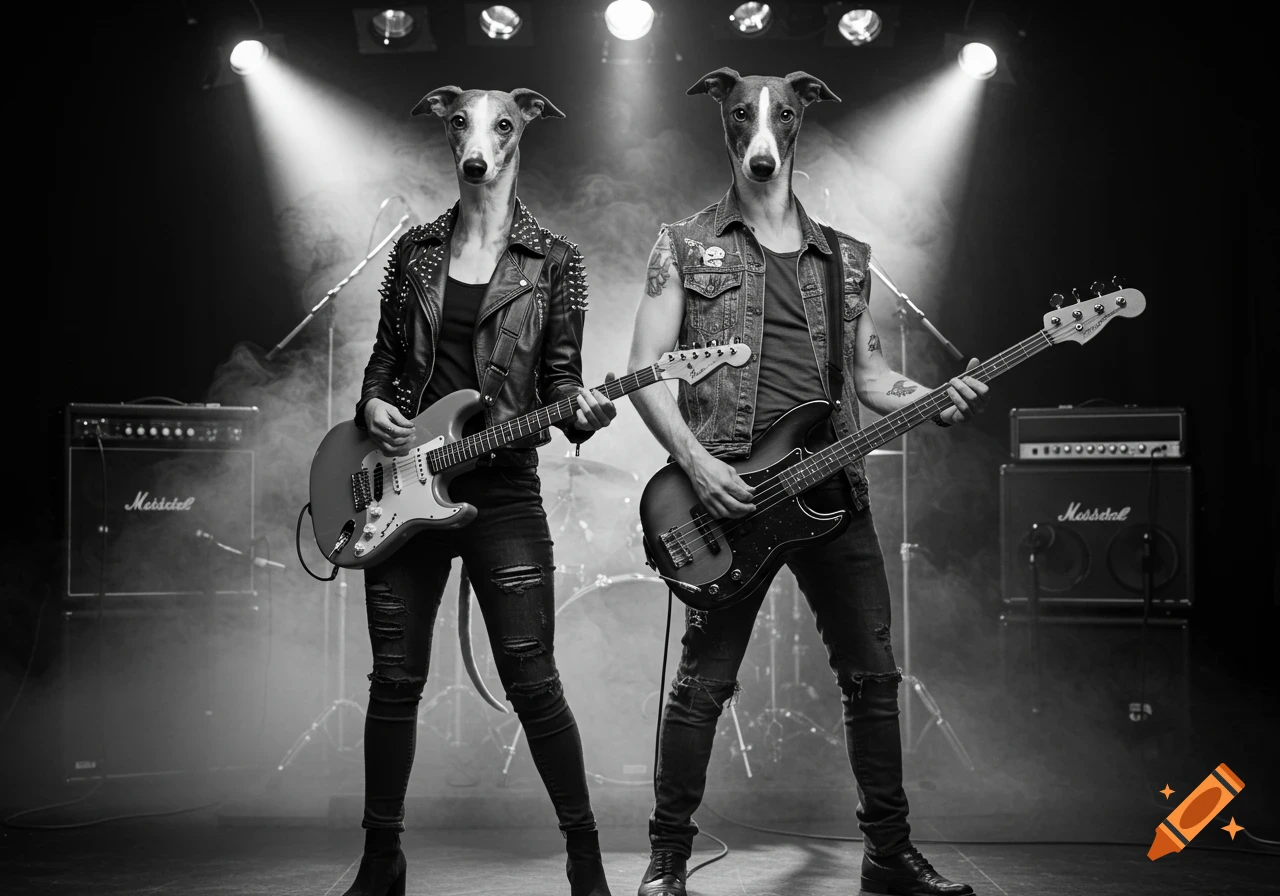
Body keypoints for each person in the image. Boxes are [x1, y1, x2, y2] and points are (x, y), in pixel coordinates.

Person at [627, 68, 987, 896]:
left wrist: (932, 397)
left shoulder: (846, 258)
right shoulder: (684, 244)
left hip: (834, 495)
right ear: (723, 120)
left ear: (800, 122)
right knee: (702, 688)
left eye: (778, 118)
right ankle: (668, 860)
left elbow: (868, 378)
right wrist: (697, 462)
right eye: (745, 118)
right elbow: (642, 370)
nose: (762, 134)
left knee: (872, 681)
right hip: (729, 499)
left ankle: (888, 856)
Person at [345, 85, 616, 896]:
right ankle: (380, 859)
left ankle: (585, 859)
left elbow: (564, 387)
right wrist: (372, 405)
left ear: (521, 130)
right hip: (404, 491)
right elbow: (385, 362)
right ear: (446, 128)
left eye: (498, 126)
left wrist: (588, 414)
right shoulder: (415, 251)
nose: (479, 141)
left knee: (533, 680)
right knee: (395, 680)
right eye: (464, 124)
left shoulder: (555, 261)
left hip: (502, 491)